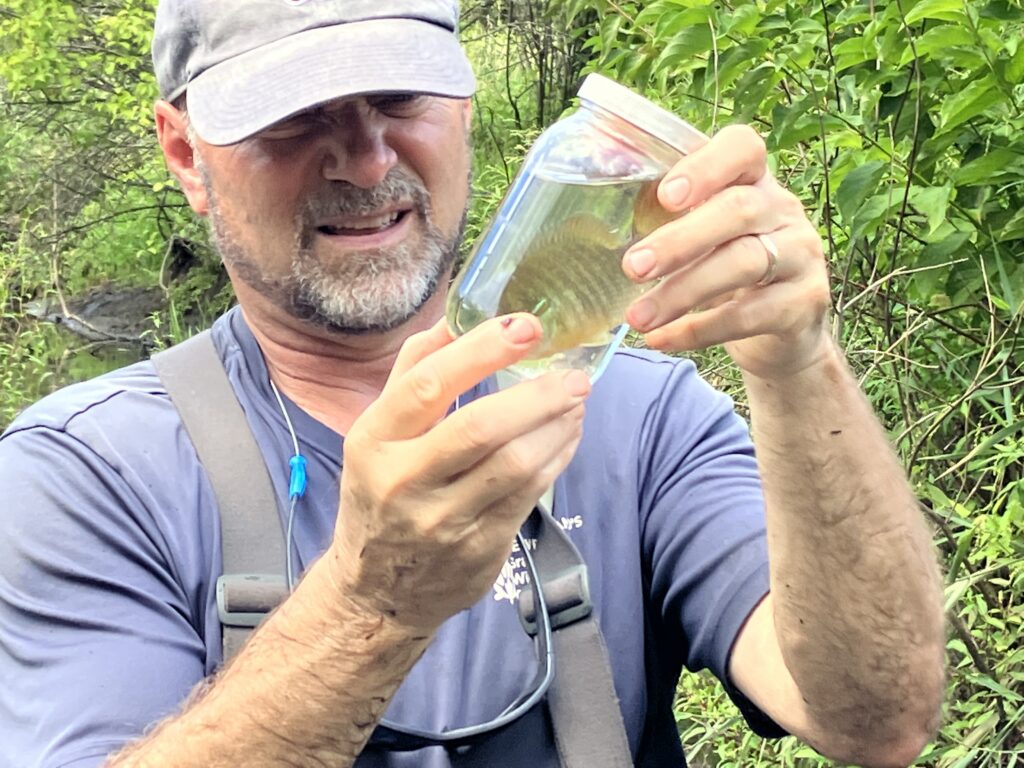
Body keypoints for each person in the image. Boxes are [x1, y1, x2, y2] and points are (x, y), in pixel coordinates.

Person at [0, 1, 946, 766]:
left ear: (462, 106)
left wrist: (799, 363)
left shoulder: (644, 418)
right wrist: (370, 608)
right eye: (294, 118)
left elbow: (875, 722)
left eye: (401, 99)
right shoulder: (80, 478)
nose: (367, 159)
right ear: (186, 154)